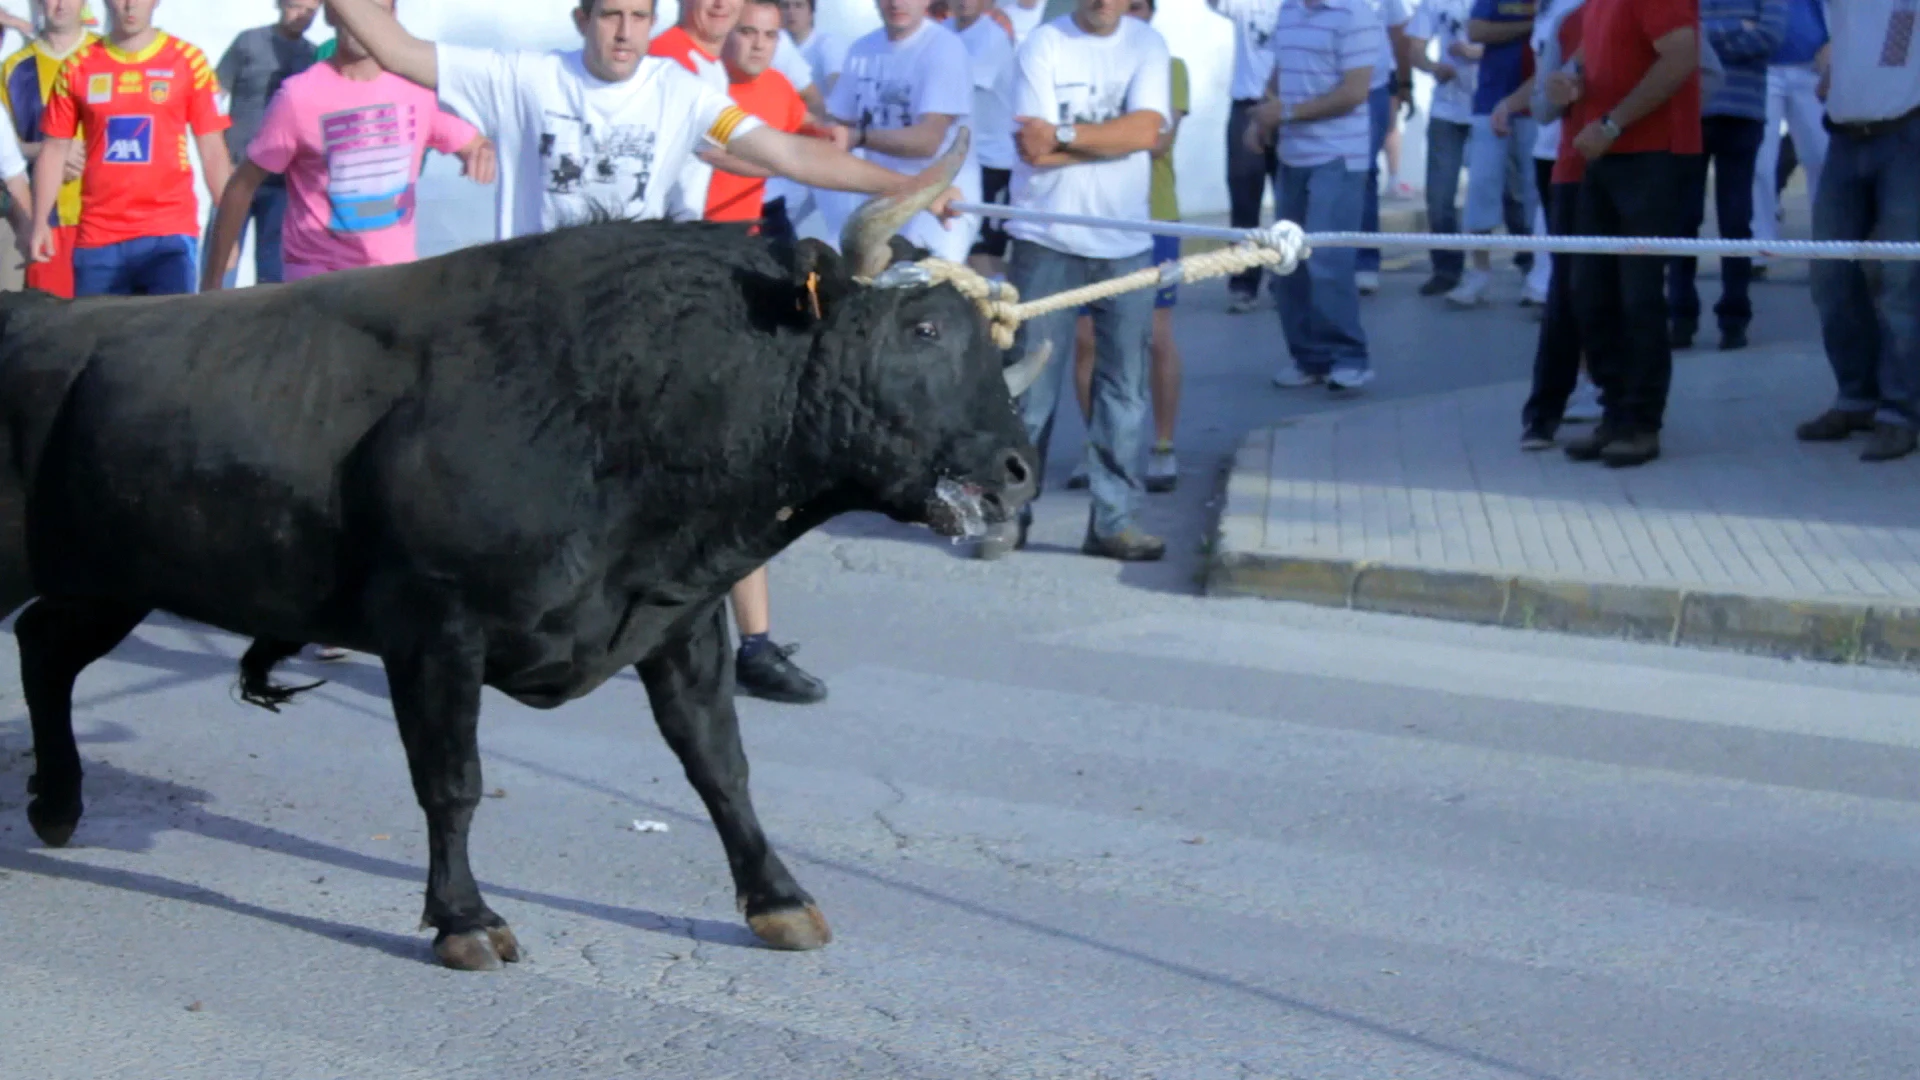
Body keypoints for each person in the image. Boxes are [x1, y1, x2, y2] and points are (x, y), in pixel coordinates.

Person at [315, 0, 963, 242]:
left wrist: (907, 187)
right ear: (582, 20)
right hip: (537, 300)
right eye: (610, 16)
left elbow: (793, 156)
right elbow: (397, 50)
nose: (624, 34)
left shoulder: (678, 92)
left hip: (630, 302)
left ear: (653, 22)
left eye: (637, 17)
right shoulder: (524, 77)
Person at [974, 0, 1171, 563]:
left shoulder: (1147, 44)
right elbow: (1030, 150)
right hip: (1045, 238)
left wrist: (1064, 133)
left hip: (1126, 242)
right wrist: (1114, 137)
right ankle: (1008, 515)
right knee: (1027, 389)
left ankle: (1115, 522)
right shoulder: (1042, 44)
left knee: (1125, 391)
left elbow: (1148, 131)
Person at [201, 0, 493, 291]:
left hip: (394, 281)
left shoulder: (418, 90)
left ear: (393, 17)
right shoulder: (298, 96)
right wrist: (212, 283)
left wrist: (481, 154)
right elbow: (241, 186)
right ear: (331, 12)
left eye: (376, 9)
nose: (364, 21)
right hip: (317, 283)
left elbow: (475, 144)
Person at [1548, 0, 1700, 468]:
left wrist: (1614, 121)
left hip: (1653, 154)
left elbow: (1680, 56)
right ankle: (1615, 413)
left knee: (1637, 294)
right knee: (1590, 289)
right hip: (1606, 154)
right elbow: (1596, 51)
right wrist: (1569, 72)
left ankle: (1640, 421)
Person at [28, 0, 233, 297]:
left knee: (166, 339)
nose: (130, 5)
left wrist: (229, 231)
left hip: (169, 237)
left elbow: (213, 149)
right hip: (98, 238)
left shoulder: (188, 60)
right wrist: (39, 222)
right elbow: (54, 150)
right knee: (97, 341)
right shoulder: (77, 66)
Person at [1792, 0, 1920, 462]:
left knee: (1902, 281)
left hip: (1908, 134)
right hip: (1847, 136)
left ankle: (1901, 411)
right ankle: (1857, 398)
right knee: (1830, 275)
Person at [1066, 0, 1185, 493]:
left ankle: (1161, 444)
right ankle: (1102, 446)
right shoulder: (1076, 58)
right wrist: (1115, 134)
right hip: (1088, 216)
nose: (1128, 13)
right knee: (1087, 340)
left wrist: (1071, 137)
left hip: (1152, 215)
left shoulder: (1167, 64)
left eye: (1138, 6)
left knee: (1153, 338)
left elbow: (1156, 140)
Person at [1247, 0, 1380, 392]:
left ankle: (1351, 358)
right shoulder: (1289, 10)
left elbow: (1354, 92)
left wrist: (1285, 114)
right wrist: (1262, 116)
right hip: (1293, 156)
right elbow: (1281, 70)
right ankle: (1309, 359)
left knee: (1327, 262)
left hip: (1338, 157)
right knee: (1288, 265)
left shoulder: (1355, 14)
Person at [1663, 0, 1785, 353]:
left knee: (1736, 221)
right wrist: (1737, 28)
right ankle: (1680, 316)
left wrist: (1700, 40)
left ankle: (1734, 318)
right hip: (1688, 113)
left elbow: (1770, 38)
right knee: (1682, 221)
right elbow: (1672, 36)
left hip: (1742, 114)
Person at [823, 0, 979, 262]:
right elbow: (837, 125)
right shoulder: (861, 50)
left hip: (941, 206)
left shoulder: (945, 49)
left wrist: (858, 137)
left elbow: (928, 140)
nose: (896, 3)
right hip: (879, 203)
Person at [213, 0, 319, 288]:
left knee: (273, 277)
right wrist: (217, 157)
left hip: (283, 184)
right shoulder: (249, 42)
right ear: (280, 4)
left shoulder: (312, 56)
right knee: (220, 269)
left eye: (311, 11)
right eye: (296, 6)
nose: (302, 16)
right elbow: (212, 97)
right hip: (236, 176)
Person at [2, 0, 98, 297]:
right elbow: (6, 148)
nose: (60, 4)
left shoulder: (108, 57)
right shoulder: (13, 68)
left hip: (105, 220)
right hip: (46, 222)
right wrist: (49, 152)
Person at [1448, 0, 1536, 308]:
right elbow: (1477, 30)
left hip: (1539, 106)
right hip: (1490, 100)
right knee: (1482, 187)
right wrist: (1530, 25)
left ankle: (1538, 274)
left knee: (1536, 194)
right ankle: (1479, 273)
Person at [1206, 0, 1283, 314]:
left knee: (1292, 205)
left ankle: (1289, 281)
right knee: (1243, 201)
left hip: (1288, 108)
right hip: (1246, 107)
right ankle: (1243, 281)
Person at [1404, 0, 1480, 297]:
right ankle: (1447, 269)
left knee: (1510, 194)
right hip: (1447, 110)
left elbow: (1521, 42)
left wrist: (1478, 53)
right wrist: (1433, 66)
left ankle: (1529, 264)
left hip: (1491, 108)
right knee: (1439, 198)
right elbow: (1415, 48)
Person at [1748, 0, 1825, 278]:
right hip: (1763, 67)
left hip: (1811, 66)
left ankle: (1827, 248)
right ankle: (1759, 247)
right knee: (1759, 163)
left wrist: (1832, 41)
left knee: (1822, 157)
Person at [949, 0, 1016, 279]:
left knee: (984, 252)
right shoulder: (940, 32)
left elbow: (956, 85)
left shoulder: (993, 37)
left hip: (994, 162)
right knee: (957, 249)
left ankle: (999, 317)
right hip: (957, 163)